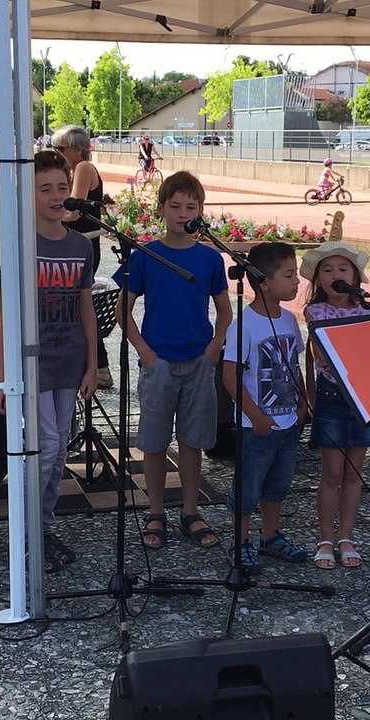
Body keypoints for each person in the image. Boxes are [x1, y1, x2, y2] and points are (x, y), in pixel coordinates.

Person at [0, 150, 97, 573]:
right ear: (28, 195)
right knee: (46, 445)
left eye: (61, 187)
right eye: (44, 188)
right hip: (33, 363)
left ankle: (42, 526)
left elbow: (85, 307)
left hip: (69, 358)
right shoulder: (19, 245)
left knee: (57, 448)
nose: (55, 196)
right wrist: (0, 376)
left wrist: (92, 364)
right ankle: (26, 530)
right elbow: (4, 313)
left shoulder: (80, 245)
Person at [117, 171, 232, 551]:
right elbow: (123, 310)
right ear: (161, 209)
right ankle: (155, 510)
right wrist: (145, 353)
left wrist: (214, 348)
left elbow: (224, 309)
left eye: (191, 207)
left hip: (198, 360)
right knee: (153, 441)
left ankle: (190, 509)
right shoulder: (146, 256)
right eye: (176, 206)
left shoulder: (209, 258)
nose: (183, 214)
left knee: (192, 441)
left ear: (201, 211)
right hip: (159, 362)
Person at [221, 242, 308, 574]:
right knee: (248, 486)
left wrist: (303, 403)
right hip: (256, 425)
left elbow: (295, 366)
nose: (296, 281)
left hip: (288, 422)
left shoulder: (289, 320)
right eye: (289, 275)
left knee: (278, 484)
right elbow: (229, 375)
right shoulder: (244, 324)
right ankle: (239, 541)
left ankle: (270, 536)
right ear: (264, 282)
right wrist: (255, 416)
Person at [301, 242, 370, 569]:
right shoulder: (316, 312)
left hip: (363, 397)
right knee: (332, 472)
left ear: (356, 277)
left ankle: (346, 536)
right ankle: (325, 537)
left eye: (343, 269)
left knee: (354, 473)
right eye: (328, 270)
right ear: (318, 280)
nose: (336, 275)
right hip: (333, 396)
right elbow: (325, 355)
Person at [53, 125, 114, 390]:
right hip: (81, 245)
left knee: (80, 306)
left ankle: (99, 367)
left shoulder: (83, 168)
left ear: (77, 150)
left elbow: (73, 210)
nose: (57, 153)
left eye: (61, 148)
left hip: (83, 245)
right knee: (78, 305)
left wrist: (47, 217)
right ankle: (97, 366)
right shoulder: (77, 169)